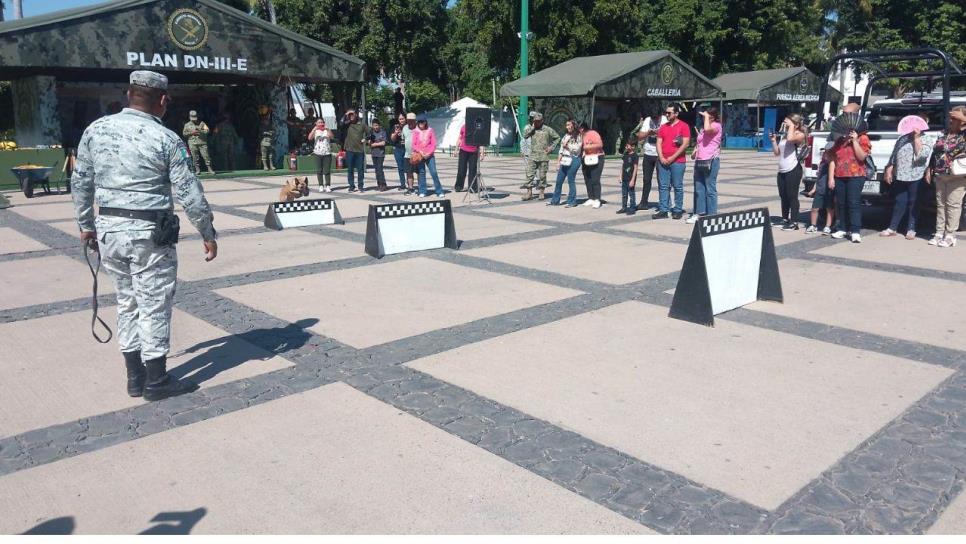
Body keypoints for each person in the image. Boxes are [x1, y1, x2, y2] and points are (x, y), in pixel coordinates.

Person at [71, 70, 217, 402]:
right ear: (163, 101)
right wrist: (207, 232)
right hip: (150, 235)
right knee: (153, 304)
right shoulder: (165, 139)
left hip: (109, 231)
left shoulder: (95, 130)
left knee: (126, 302)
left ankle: (135, 378)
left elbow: (80, 182)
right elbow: (189, 193)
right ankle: (156, 381)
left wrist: (85, 225)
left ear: (128, 94)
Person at [881, 127, 933, 239]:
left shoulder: (926, 139)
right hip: (900, 174)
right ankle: (892, 227)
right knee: (899, 201)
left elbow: (921, 155)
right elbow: (894, 154)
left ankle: (911, 228)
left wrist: (916, 138)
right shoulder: (902, 138)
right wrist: (889, 168)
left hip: (916, 175)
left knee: (914, 203)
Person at [830, 108, 871, 243]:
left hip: (856, 174)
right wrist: (832, 177)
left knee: (853, 202)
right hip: (840, 174)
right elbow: (833, 157)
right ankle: (842, 228)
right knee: (841, 203)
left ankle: (855, 230)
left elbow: (862, 157)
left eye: (847, 114)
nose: (845, 116)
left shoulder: (863, 137)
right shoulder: (839, 138)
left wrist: (854, 141)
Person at [930, 106, 966, 248]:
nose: (951, 120)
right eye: (951, 118)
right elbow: (935, 151)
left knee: (953, 205)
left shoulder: (963, 135)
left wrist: (962, 119)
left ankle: (950, 234)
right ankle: (939, 232)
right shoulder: (945, 133)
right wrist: (930, 169)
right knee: (941, 205)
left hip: (957, 175)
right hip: (940, 173)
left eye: (955, 118)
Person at [769, 113, 808, 230]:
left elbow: (791, 139)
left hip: (793, 169)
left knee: (792, 196)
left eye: (787, 120)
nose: (784, 122)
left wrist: (791, 127)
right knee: (783, 195)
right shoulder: (785, 135)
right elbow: (777, 153)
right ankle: (785, 218)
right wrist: (773, 141)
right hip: (782, 170)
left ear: (795, 123)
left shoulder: (799, 134)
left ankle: (794, 222)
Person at [653, 104, 690, 219]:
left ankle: (677, 209)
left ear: (676, 113)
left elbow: (685, 144)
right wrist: (661, 157)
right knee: (663, 186)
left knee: (677, 186)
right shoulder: (663, 127)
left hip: (678, 161)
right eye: (666, 113)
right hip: (663, 161)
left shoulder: (684, 126)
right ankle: (664, 209)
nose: (667, 115)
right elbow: (658, 143)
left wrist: (672, 157)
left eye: (669, 113)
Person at [688, 107, 722, 223]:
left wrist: (707, 117)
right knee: (699, 188)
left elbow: (708, 130)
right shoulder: (703, 128)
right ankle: (699, 212)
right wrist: (695, 151)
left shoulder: (716, 126)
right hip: (700, 160)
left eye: (706, 116)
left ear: (712, 117)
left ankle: (712, 215)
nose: (703, 118)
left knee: (710, 188)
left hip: (711, 160)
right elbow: (700, 142)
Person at [520, 112, 561, 201]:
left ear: (542, 121)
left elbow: (557, 137)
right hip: (533, 156)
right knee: (529, 175)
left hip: (543, 156)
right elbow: (525, 136)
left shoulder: (547, 129)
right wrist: (532, 128)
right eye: (535, 121)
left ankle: (541, 192)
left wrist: (551, 147)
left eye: (538, 121)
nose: (537, 122)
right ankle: (529, 193)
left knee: (542, 176)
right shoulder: (532, 128)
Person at [631, 108, 665, 210]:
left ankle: (663, 203)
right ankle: (644, 202)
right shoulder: (647, 120)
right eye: (653, 118)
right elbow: (640, 136)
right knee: (646, 179)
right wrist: (648, 133)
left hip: (660, 154)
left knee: (662, 180)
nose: (654, 120)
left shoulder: (665, 120)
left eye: (656, 118)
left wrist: (660, 132)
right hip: (648, 153)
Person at [548, 119, 582, 207]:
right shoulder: (566, 135)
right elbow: (561, 150)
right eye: (566, 125)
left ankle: (572, 201)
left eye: (569, 125)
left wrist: (568, 146)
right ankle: (555, 200)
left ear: (573, 125)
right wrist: (558, 162)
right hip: (564, 159)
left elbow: (577, 149)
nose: (567, 127)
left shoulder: (578, 136)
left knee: (571, 180)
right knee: (559, 180)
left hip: (574, 159)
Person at [806, 143, 836, 234]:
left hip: (829, 190)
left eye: (827, 153)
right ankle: (813, 225)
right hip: (820, 189)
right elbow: (818, 178)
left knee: (829, 208)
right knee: (815, 208)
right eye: (824, 153)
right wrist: (813, 189)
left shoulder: (834, 164)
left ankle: (828, 226)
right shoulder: (822, 164)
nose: (824, 155)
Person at [412, 114, 444, 198]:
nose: (421, 124)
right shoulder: (415, 131)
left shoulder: (430, 130)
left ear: (426, 122)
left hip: (429, 155)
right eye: (420, 122)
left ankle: (439, 191)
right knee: (422, 173)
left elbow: (433, 143)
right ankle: (422, 191)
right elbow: (414, 145)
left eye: (423, 122)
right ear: (418, 123)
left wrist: (429, 153)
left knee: (434, 172)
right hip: (420, 155)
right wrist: (421, 152)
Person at [340, 109, 367, 192]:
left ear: (356, 115)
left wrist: (365, 139)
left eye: (352, 114)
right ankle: (351, 186)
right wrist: (345, 114)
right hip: (349, 150)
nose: (351, 116)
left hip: (360, 150)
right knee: (350, 169)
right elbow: (340, 124)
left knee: (360, 169)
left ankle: (360, 186)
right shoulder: (347, 124)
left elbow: (370, 132)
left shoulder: (361, 124)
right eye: (349, 115)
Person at [580, 121, 605, 208]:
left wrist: (587, 147)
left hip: (597, 158)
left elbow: (600, 144)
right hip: (586, 159)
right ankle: (591, 197)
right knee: (588, 179)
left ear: (582, 128)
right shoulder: (581, 136)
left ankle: (597, 199)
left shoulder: (593, 133)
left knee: (595, 179)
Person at [182, 110, 215, 175]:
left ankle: (209, 169)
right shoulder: (187, 125)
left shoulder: (202, 123)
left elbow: (207, 131)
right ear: (189, 117)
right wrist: (192, 133)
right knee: (194, 157)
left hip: (202, 142)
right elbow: (184, 134)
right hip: (192, 143)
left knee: (206, 156)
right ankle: (197, 169)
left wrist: (201, 130)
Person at [308, 118, 334, 192]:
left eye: (322, 122)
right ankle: (321, 185)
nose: (320, 124)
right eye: (319, 122)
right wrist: (314, 129)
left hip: (327, 152)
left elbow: (332, 137)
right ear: (316, 123)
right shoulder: (315, 131)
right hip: (317, 153)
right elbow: (309, 138)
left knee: (327, 170)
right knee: (319, 170)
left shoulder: (326, 130)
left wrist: (328, 129)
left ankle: (328, 185)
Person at [454, 123, 481, 192]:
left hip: (474, 151)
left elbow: (481, 140)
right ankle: (458, 186)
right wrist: (456, 149)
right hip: (463, 151)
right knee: (461, 169)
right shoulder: (463, 126)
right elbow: (459, 138)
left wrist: (482, 152)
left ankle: (472, 187)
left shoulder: (477, 127)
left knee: (472, 170)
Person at [617, 138, 639, 215]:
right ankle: (624, 207)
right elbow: (622, 165)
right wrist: (620, 176)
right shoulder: (625, 154)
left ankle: (632, 208)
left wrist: (633, 180)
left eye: (628, 145)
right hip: (624, 178)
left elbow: (635, 168)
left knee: (631, 194)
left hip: (630, 179)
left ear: (633, 146)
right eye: (626, 145)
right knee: (624, 194)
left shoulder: (635, 156)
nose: (626, 147)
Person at [368, 118, 388, 191]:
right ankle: (379, 184)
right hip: (374, 154)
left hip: (380, 154)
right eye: (374, 126)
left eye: (377, 125)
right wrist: (369, 141)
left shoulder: (383, 132)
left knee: (380, 169)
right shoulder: (371, 133)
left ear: (379, 125)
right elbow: (369, 143)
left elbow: (383, 143)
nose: (375, 127)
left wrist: (375, 144)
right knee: (376, 170)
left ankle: (383, 184)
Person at [390, 113, 408, 191]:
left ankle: (410, 184)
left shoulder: (408, 127)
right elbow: (392, 139)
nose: (401, 120)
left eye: (403, 118)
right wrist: (396, 133)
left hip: (407, 149)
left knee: (408, 168)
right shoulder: (395, 127)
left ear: (405, 119)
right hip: (398, 149)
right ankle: (402, 184)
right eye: (400, 119)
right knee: (400, 167)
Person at [402, 112, 417, 194]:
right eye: (408, 120)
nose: (410, 122)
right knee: (409, 172)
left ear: (415, 121)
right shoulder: (405, 127)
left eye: (412, 120)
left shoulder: (418, 128)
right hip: (407, 154)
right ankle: (410, 188)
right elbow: (404, 138)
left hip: (417, 154)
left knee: (419, 172)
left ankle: (421, 187)